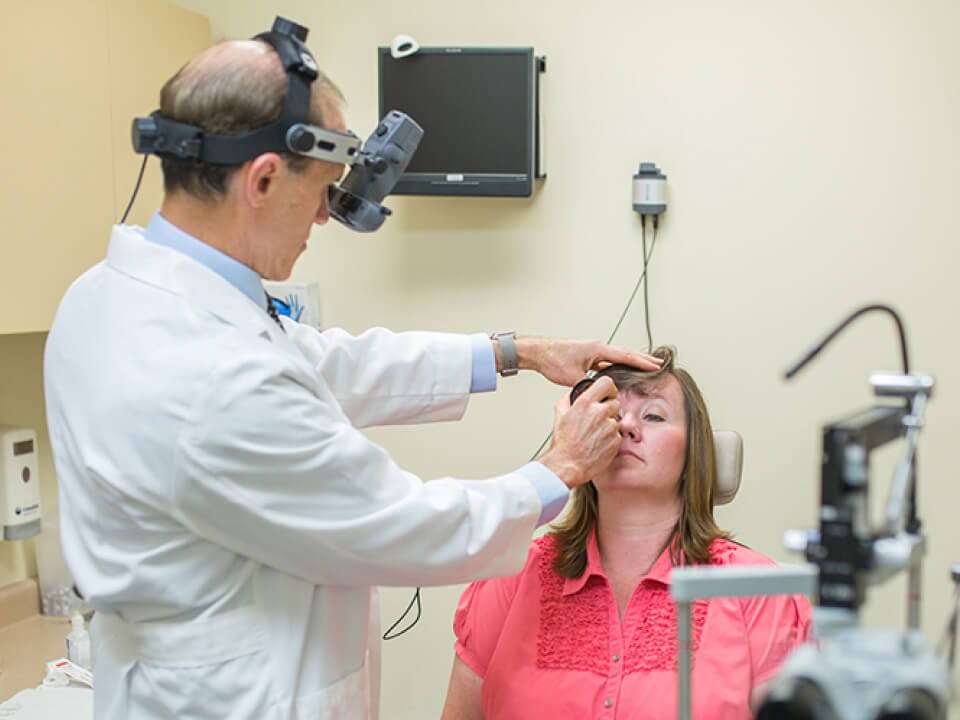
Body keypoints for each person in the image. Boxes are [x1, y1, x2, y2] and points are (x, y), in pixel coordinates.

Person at [41, 25, 662, 720]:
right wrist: (562, 466)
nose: (324, 220)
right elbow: (404, 525)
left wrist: (517, 352)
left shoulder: (112, 297)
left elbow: (324, 362)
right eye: (323, 193)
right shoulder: (210, 372)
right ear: (265, 178)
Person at [441, 347, 812, 720]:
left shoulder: (759, 592)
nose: (625, 426)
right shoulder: (511, 575)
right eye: (610, 414)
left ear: (693, 453)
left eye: (653, 415)